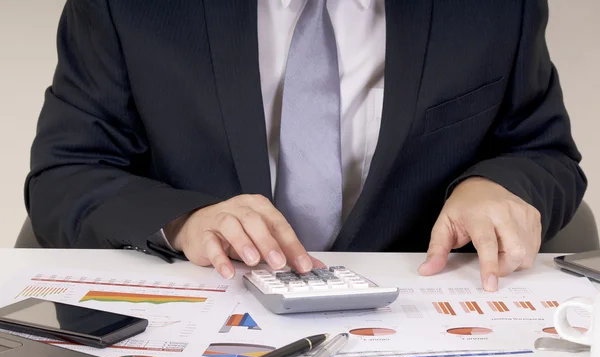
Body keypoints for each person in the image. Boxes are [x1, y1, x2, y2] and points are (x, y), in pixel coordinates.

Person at [25, 0, 586, 292]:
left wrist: (494, 186)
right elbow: (66, 173)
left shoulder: (496, 7)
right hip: (206, 325)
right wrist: (185, 221)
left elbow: (544, 153)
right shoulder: (127, 8)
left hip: (415, 332)